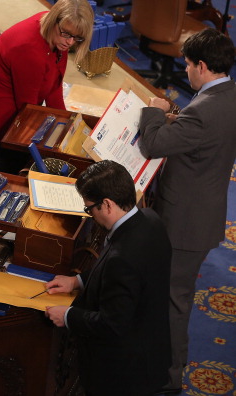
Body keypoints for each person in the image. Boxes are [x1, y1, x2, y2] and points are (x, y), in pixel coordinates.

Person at [138, 28, 236, 394]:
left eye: (188, 65)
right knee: (173, 296)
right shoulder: (230, 94)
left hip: (185, 225)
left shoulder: (206, 110)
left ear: (203, 66)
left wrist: (156, 109)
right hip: (204, 211)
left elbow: (152, 145)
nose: (186, 71)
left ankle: (167, 378)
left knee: (172, 302)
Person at [44, 160, 172, 396]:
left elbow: (113, 325)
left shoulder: (123, 258)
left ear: (107, 204)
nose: (90, 215)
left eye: (89, 208)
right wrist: (77, 281)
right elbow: (127, 277)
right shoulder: (149, 219)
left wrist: (68, 315)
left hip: (123, 373)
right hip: (150, 347)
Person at [0, 0, 94, 182]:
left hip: (12, 109)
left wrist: (68, 125)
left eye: (77, 38)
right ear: (54, 20)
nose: (69, 42)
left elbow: (54, 86)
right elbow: (28, 109)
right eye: (66, 34)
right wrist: (58, 146)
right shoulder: (29, 49)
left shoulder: (55, 34)